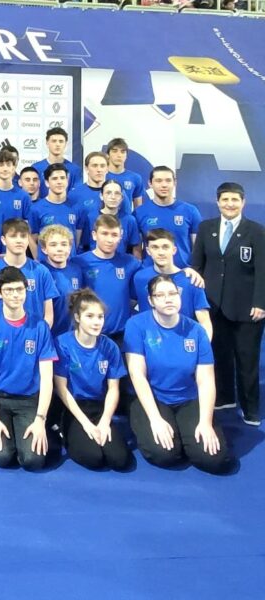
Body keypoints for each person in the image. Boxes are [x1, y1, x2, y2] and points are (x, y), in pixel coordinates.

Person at [124, 275, 232, 473]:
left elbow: (206, 380)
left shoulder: (197, 331)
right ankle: (162, 429)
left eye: (173, 293)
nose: (168, 299)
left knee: (214, 460)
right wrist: (155, 419)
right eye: (160, 295)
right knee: (165, 455)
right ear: (151, 301)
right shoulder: (136, 325)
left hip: (187, 398)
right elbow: (137, 374)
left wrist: (205, 422)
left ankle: (186, 433)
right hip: (154, 398)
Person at [191, 182, 265, 424]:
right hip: (213, 306)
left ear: (243, 202)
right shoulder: (206, 228)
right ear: (217, 202)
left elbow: (263, 271)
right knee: (218, 356)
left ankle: (251, 408)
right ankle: (224, 398)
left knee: (247, 360)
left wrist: (260, 302)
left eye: (235, 200)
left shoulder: (256, 231)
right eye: (225, 200)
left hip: (247, 309)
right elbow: (197, 267)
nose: (230, 204)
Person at [0, 266, 57, 471]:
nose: (15, 295)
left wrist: (40, 420)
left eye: (20, 289)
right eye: (9, 290)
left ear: (26, 291)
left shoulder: (40, 326)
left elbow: (47, 378)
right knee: (3, 457)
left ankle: (50, 430)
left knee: (33, 461)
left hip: (28, 400)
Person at [53, 289, 131, 470]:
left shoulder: (109, 346)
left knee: (119, 460)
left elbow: (113, 388)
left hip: (98, 406)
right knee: (93, 458)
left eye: (100, 317)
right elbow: (61, 389)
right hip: (72, 408)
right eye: (90, 316)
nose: (97, 322)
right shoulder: (62, 344)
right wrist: (86, 424)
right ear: (78, 318)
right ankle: (64, 432)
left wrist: (104, 422)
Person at [0, 218, 58, 328]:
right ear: (3, 240)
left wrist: (39, 335)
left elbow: (49, 315)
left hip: (33, 337)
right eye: (13, 236)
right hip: (1, 339)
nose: (19, 240)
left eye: (23, 236)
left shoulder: (41, 271)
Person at [73, 214, 142, 343]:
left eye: (114, 235)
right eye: (104, 233)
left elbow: (154, 274)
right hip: (89, 335)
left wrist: (184, 271)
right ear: (94, 235)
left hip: (122, 335)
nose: (109, 240)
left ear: (121, 236)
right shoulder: (79, 263)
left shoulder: (130, 262)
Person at [134, 229, 212, 339]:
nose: (161, 252)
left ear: (174, 250)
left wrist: (202, 349)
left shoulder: (191, 280)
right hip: (151, 344)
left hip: (183, 342)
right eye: (155, 247)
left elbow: (205, 321)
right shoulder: (139, 278)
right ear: (148, 250)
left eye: (165, 247)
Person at [134, 166, 201, 268]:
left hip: (182, 273)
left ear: (175, 183)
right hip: (151, 274)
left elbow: (198, 249)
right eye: (159, 181)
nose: (164, 185)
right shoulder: (139, 213)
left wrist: (194, 270)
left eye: (168, 181)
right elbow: (137, 250)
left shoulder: (190, 211)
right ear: (150, 183)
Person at [28, 164, 82, 260]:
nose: (59, 182)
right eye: (55, 178)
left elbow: (76, 238)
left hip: (70, 264)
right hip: (46, 264)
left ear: (67, 180)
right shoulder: (36, 208)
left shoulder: (76, 207)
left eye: (62, 178)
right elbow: (32, 238)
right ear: (47, 182)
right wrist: (38, 259)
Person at [38, 225, 85, 336]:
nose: (59, 249)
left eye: (64, 244)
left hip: (71, 335)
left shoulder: (76, 270)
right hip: (49, 335)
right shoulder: (40, 271)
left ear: (70, 248)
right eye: (53, 245)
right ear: (44, 249)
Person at [79, 179, 141, 257]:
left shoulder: (130, 220)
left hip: (121, 265)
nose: (113, 197)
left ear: (122, 198)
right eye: (108, 193)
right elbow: (84, 246)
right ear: (101, 196)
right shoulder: (91, 217)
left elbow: (135, 249)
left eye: (117, 193)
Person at [30, 127, 82, 198]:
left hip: (67, 208)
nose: (57, 144)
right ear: (47, 143)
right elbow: (32, 193)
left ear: (65, 144)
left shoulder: (74, 169)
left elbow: (76, 194)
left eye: (61, 141)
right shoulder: (36, 168)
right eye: (54, 141)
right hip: (42, 208)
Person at [105, 138, 144, 209]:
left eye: (122, 152)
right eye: (114, 151)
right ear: (108, 155)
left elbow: (138, 208)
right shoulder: (101, 177)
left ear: (126, 155)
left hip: (126, 219)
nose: (119, 155)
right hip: (105, 219)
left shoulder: (135, 178)